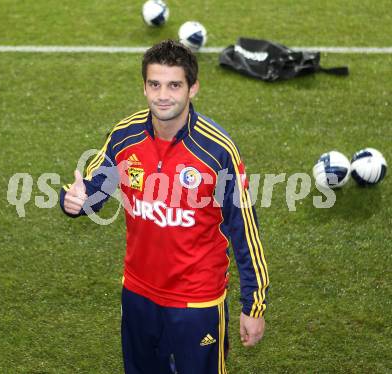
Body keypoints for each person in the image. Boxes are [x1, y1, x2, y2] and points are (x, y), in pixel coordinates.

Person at [60, 39, 269, 374]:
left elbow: (245, 230)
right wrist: (75, 202)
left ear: (193, 88)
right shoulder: (125, 135)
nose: (163, 95)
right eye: (154, 84)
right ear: (144, 87)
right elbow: (95, 190)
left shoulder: (217, 150)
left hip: (196, 300)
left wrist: (254, 304)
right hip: (138, 293)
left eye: (174, 85)